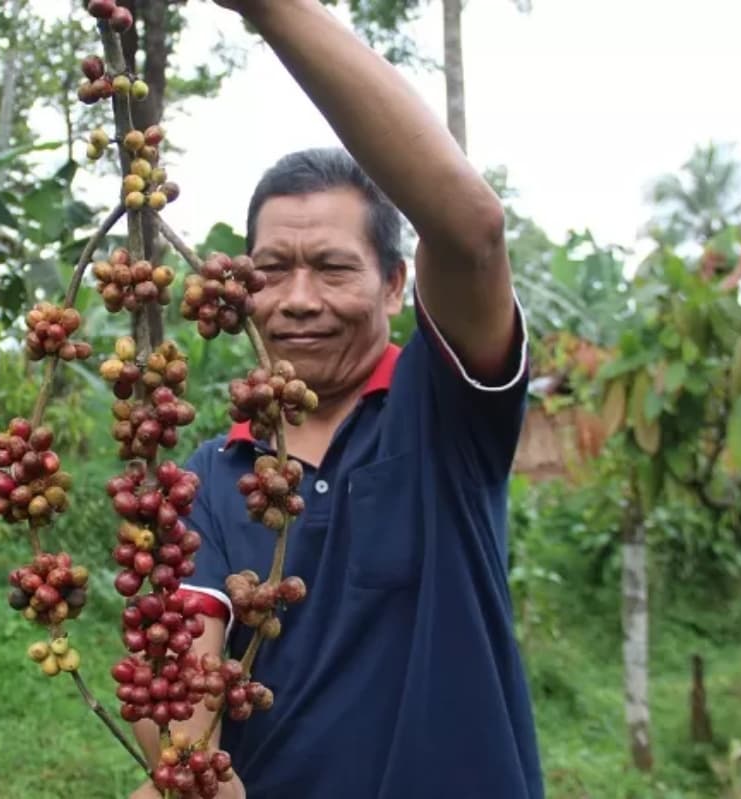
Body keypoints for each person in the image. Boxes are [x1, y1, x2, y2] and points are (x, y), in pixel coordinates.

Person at [129, 0, 543, 796]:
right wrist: (188, 764)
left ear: (394, 286)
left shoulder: (443, 413)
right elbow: (188, 676)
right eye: (272, 269)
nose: (297, 298)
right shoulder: (213, 477)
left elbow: (473, 230)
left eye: (333, 266)